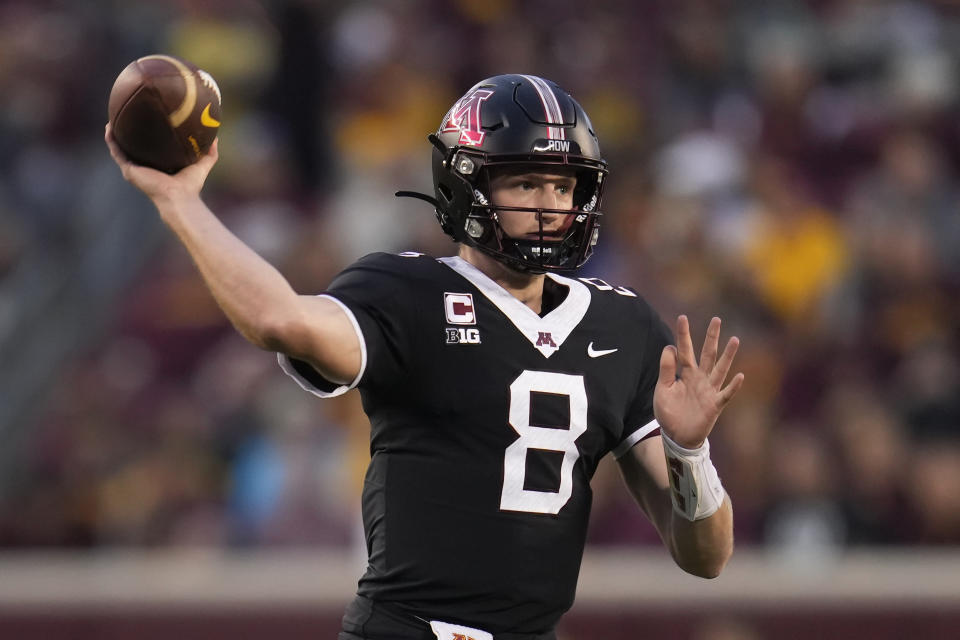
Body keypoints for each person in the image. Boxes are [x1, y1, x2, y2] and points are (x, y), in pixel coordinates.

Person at [106, 73, 743, 640]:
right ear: (465, 186)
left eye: (564, 185)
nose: (551, 206)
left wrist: (691, 455)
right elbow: (279, 319)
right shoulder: (409, 293)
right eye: (526, 182)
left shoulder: (623, 324)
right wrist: (180, 203)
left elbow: (706, 557)